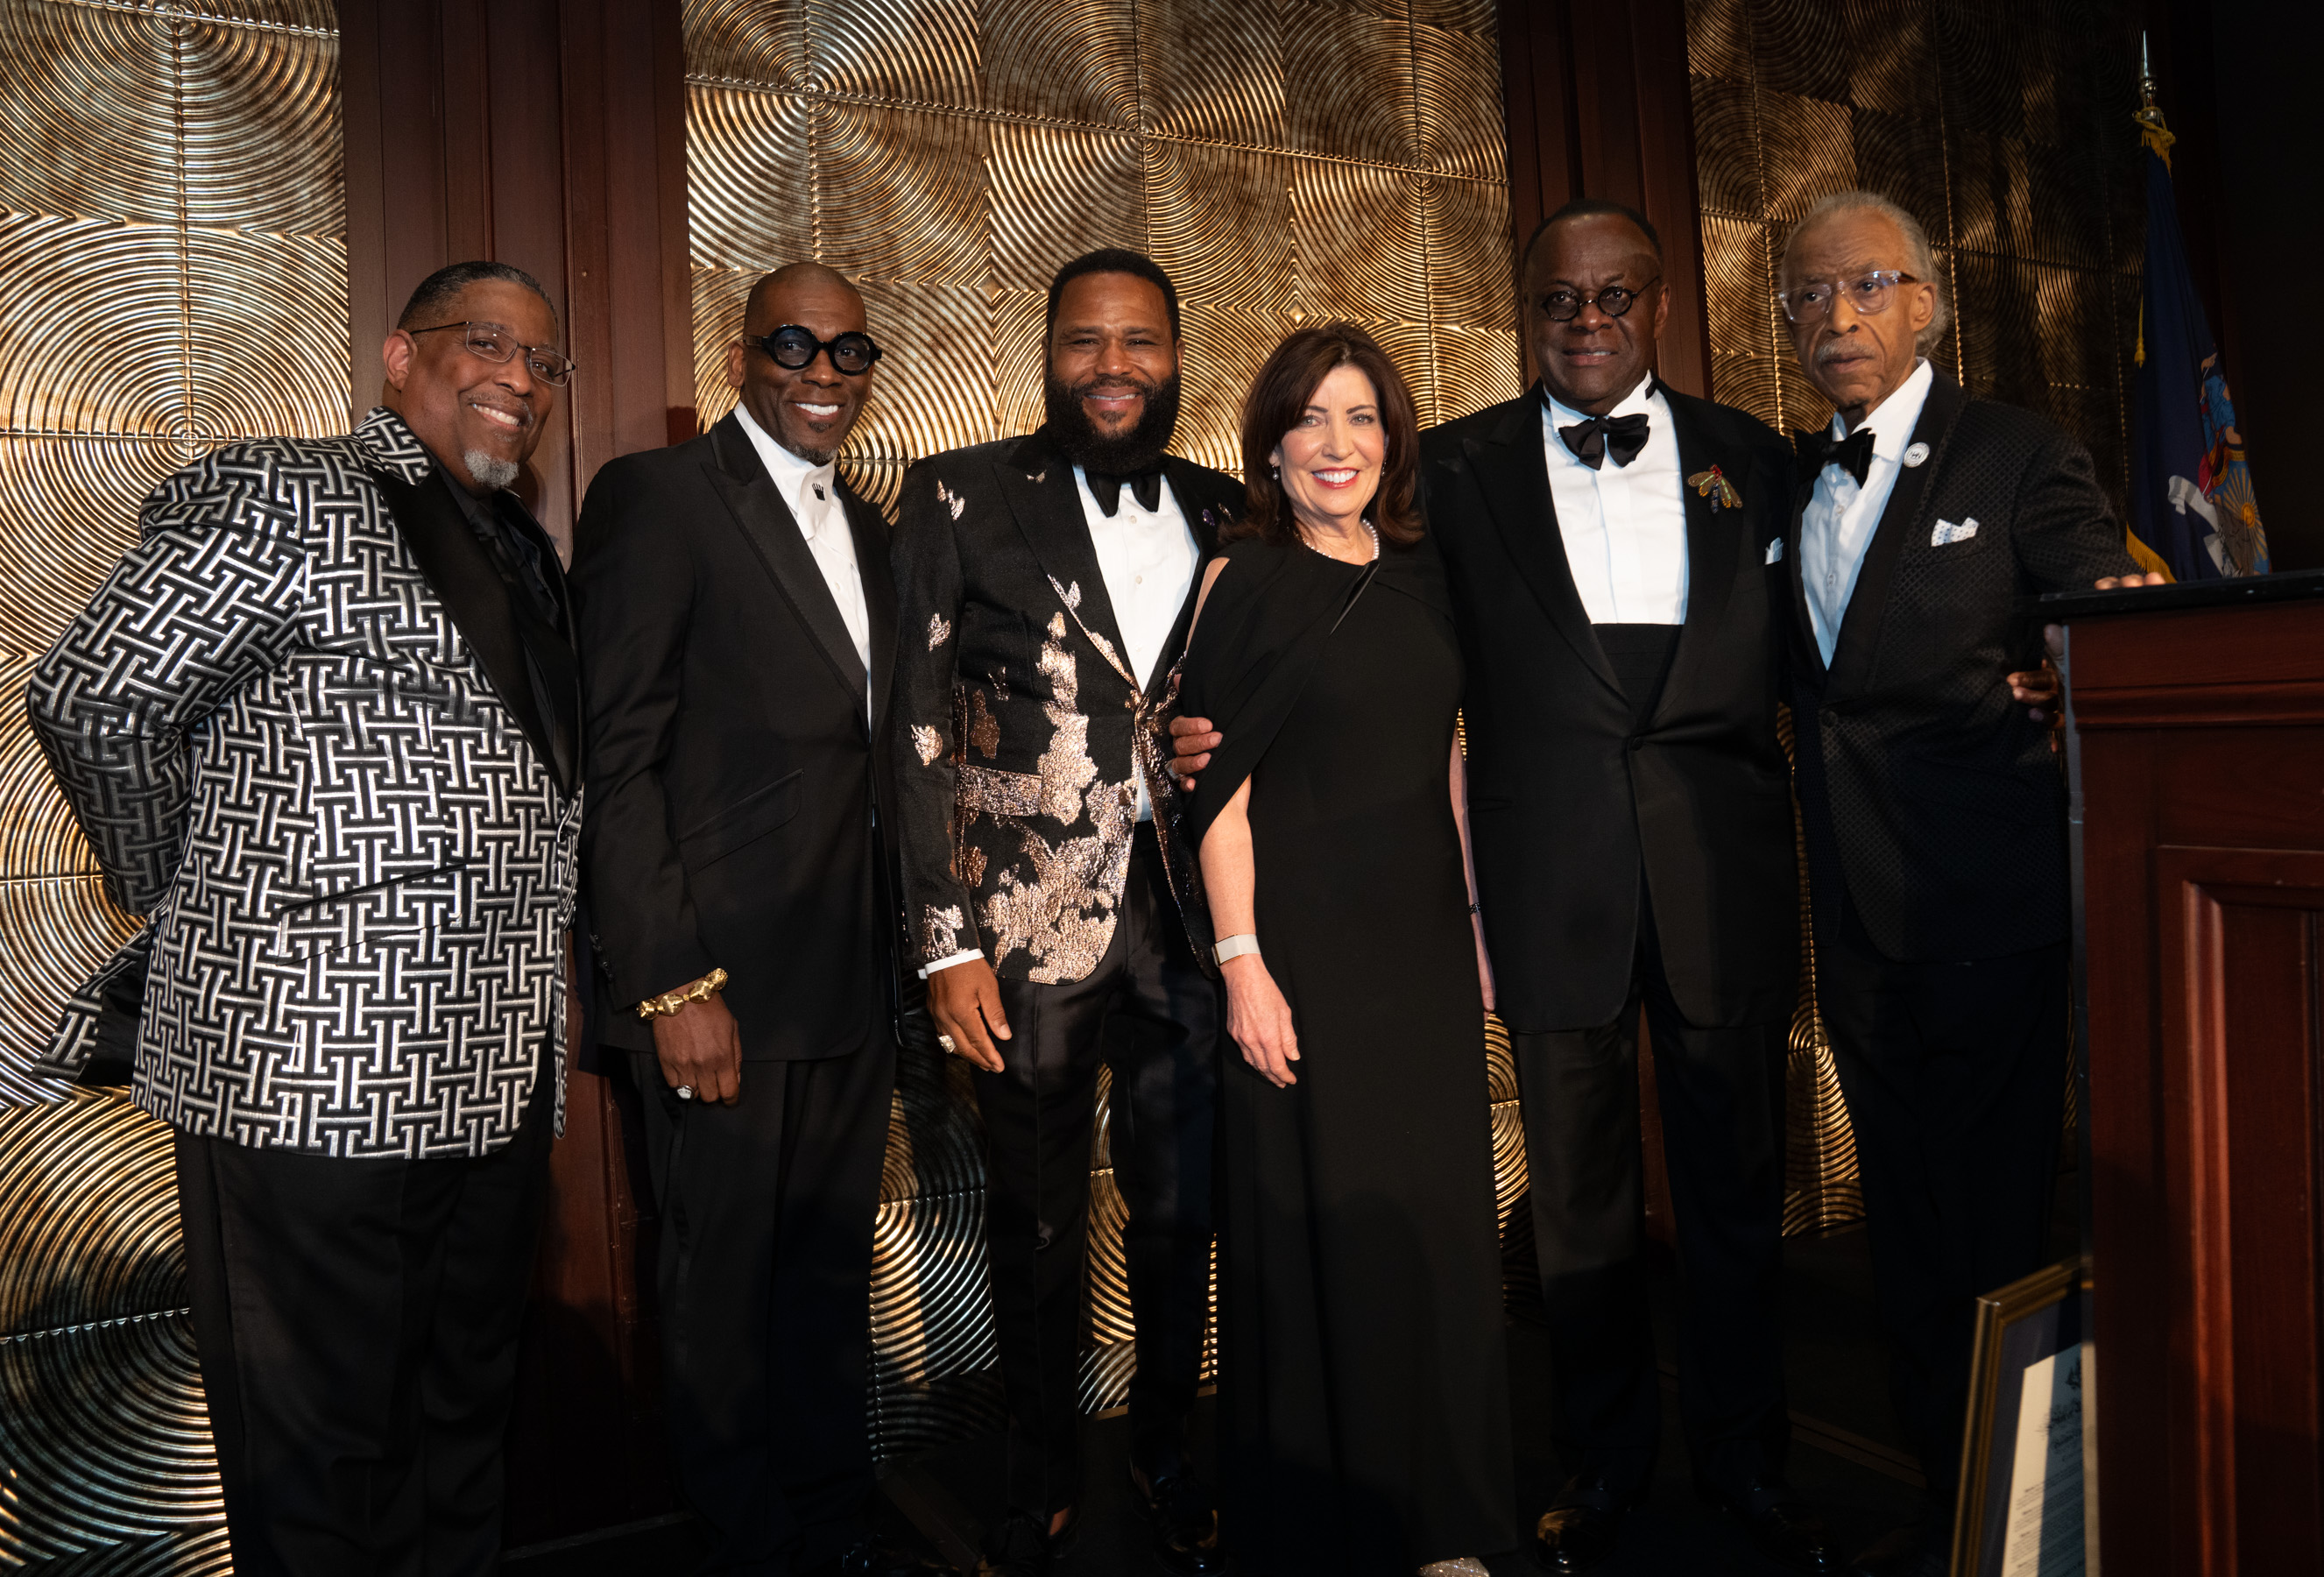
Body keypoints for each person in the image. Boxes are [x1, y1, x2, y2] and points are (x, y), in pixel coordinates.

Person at [1182, 200, 1839, 1575]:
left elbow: (1825, 643)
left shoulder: (1753, 458)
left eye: (1613, 296)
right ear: (1524, 312)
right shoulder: (1460, 471)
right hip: (1547, 887)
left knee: (1734, 1195)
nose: (1585, 321)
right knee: (1574, 1209)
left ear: (1657, 305)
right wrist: (1199, 752)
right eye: (1557, 300)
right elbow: (1334, 660)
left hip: (1713, 880)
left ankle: (1749, 1464)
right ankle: (1597, 1471)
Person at [26, 261, 582, 1575]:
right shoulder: (283, 488)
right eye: (484, 342)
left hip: (496, 1069)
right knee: (323, 1460)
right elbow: (97, 697)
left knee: (460, 1428)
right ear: (399, 356)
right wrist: (192, 889)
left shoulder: (525, 550)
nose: (517, 378)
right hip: (306, 1064)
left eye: (542, 362)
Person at [1772, 190, 2161, 1577]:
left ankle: (2030, 1527)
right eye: (1806, 295)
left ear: (1926, 303)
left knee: (1995, 1224)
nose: (1835, 316)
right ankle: (1948, 1503)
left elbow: (2093, 599)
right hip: (1854, 917)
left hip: (1987, 912)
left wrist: (2081, 652)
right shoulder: (1784, 481)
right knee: (1906, 1233)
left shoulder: (2015, 452)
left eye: (1864, 286)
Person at [572, 263, 939, 1577]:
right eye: (794, 344)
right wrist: (673, 981)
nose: (822, 373)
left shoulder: (878, 535)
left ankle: (831, 1521)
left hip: (851, 978)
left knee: (825, 1276)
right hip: (717, 986)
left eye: (850, 352)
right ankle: (748, 1544)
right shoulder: (659, 497)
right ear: (741, 355)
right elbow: (615, 761)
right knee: (721, 1293)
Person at [888, 249, 1241, 1577]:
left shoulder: (1225, 507)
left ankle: (1165, 1448)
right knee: (1034, 1217)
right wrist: (945, 941)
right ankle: (1036, 1473)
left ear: (1174, 356)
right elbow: (914, 728)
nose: (1112, 366)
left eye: (1138, 341)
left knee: (1180, 1205)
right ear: (1047, 355)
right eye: (1085, 341)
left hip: (1193, 913)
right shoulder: (960, 492)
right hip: (1023, 921)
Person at [1176, 322, 1516, 1577]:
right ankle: (1330, 1533)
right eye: (1310, 418)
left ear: (1392, 440)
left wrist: (1475, 927)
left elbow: (1448, 760)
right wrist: (1242, 963)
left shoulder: (1428, 574)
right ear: (1270, 444)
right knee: (1318, 1232)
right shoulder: (1241, 578)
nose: (1337, 444)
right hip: (1302, 953)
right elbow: (1216, 796)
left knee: (1436, 1232)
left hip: (1420, 944)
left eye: (1362, 417)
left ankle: (1447, 1525)